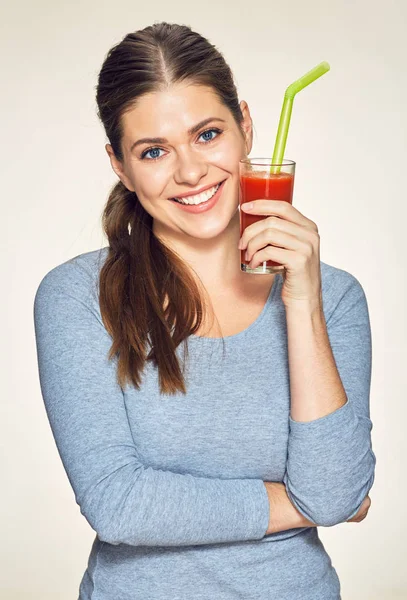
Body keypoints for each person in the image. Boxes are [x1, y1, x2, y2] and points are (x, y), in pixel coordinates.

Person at [33, 22, 376, 600]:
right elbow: (118, 505)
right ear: (120, 164)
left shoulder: (333, 298)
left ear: (244, 125)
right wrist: (302, 501)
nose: (190, 172)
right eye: (154, 150)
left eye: (208, 134)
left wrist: (302, 302)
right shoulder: (76, 297)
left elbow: (337, 487)